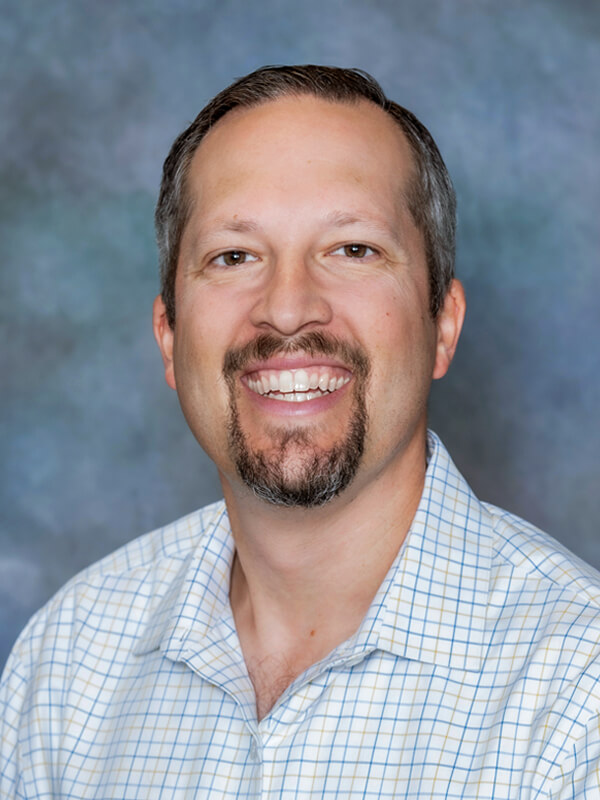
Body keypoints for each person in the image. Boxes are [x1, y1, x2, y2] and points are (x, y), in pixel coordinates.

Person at [1, 65, 599, 799]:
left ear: (443, 324)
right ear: (168, 336)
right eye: (234, 256)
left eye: (352, 250)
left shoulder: (578, 693)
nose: (287, 310)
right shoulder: (64, 667)